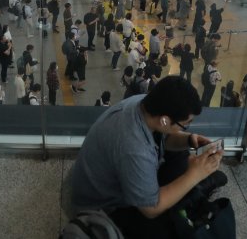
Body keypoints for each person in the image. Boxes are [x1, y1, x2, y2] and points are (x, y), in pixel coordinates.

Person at [70, 76, 224, 238]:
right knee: (168, 227)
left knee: (181, 156)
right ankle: (193, 191)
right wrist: (194, 175)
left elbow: (164, 137)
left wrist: (188, 139)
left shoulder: (144, 103)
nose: (186, 127)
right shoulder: (135, 148)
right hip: (105, 207)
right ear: (165, 120)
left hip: (116, 176)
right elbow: (151, 209)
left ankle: (190, 192)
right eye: (185, 124)